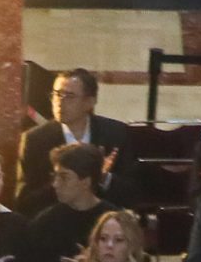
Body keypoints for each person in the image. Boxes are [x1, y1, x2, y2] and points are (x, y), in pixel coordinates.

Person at [17, 68, 130, 214]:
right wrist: (62, 182)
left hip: (103, 223)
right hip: (55, 223)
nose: (59, 102)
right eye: (56, 95)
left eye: (69, 96)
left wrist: (103, 178)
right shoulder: (35, 140)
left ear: (90, 101)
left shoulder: (115, 134)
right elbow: (23, 201)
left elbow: (132, 195)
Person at [17, 147, 110, 262]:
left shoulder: (113, 221)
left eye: (64, 177)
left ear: (86, 182)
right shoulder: (44, 223)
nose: (55, 184)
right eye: (55, 176)